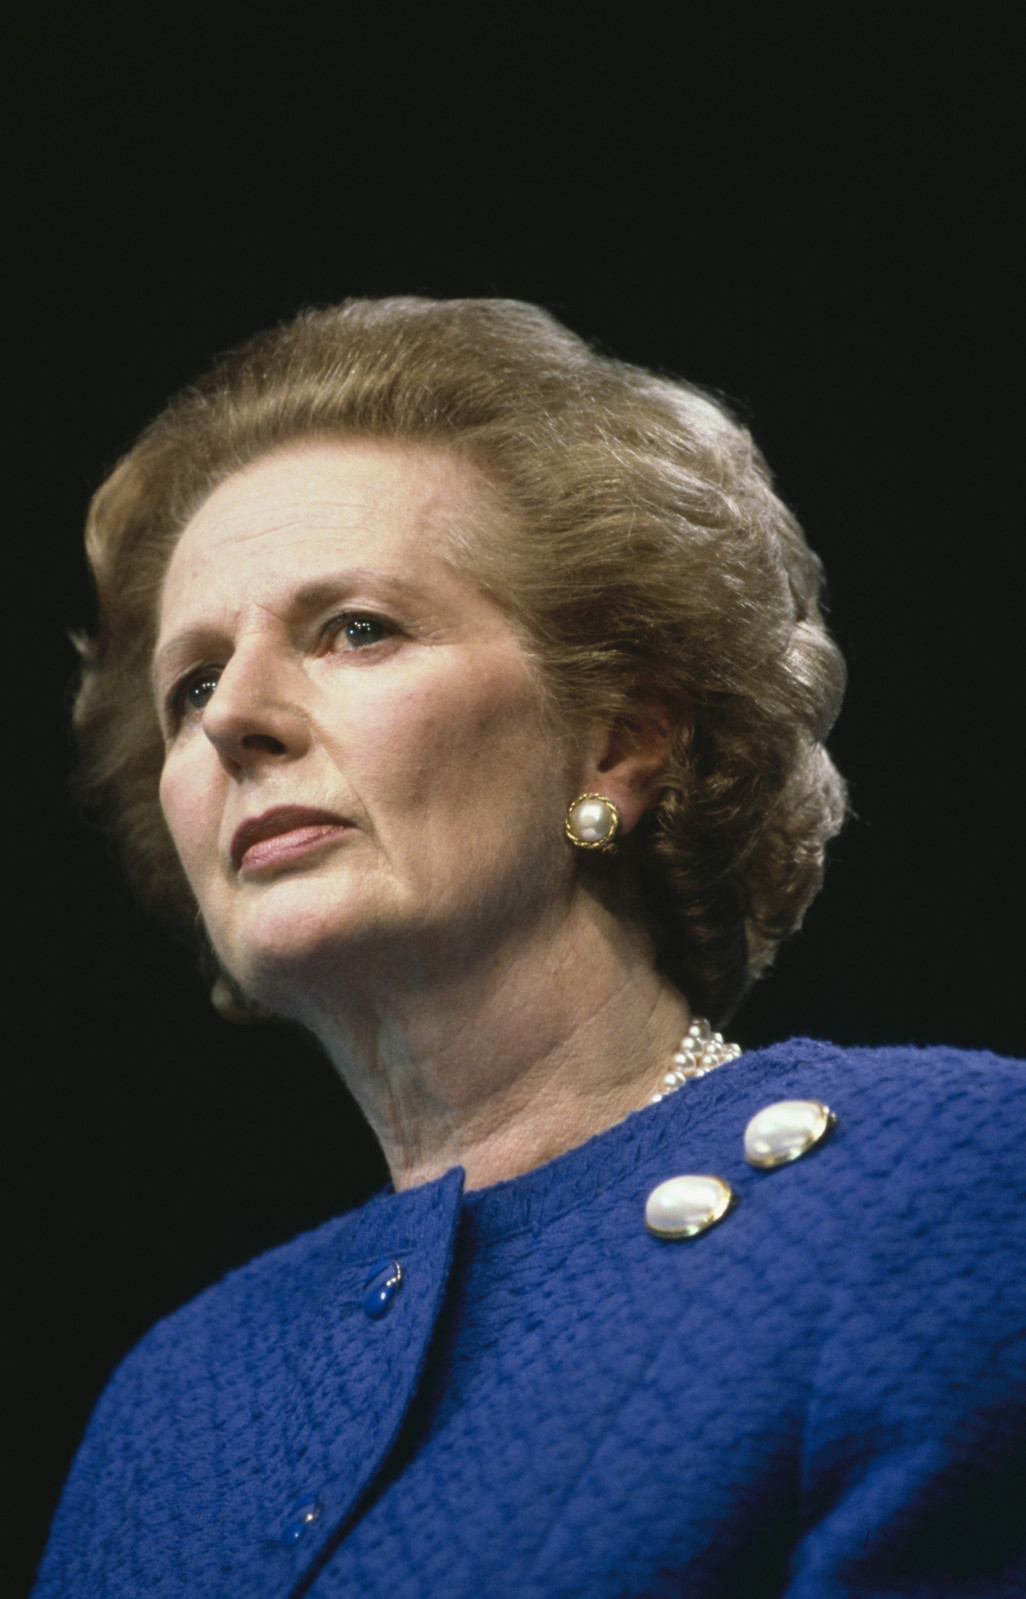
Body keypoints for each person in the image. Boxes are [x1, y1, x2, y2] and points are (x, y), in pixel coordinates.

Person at [34, 298, 1024, 1598]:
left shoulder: (940, 1177)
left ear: (620, 738)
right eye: (192, 684)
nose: (235, 723)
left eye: (355, 630)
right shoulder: (173, 1401)